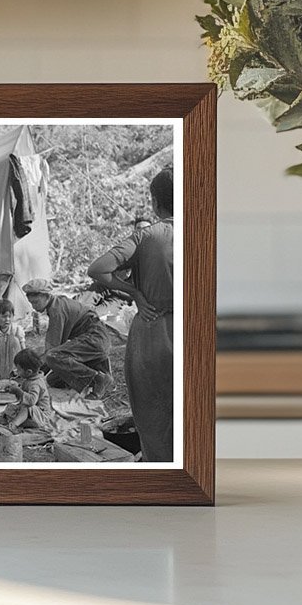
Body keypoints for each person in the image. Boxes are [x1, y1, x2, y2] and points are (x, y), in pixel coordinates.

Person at [88, 167, 174, 462]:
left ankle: (162, 473)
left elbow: (98, 269)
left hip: (154, 328)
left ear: (155, 202)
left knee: (153, 412)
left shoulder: (148, 236)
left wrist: (136, 293)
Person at [22, 278, 112, 397]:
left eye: (36, 302)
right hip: (95, 339)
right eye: (31, 303)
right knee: (53, 380)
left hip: (95, 339)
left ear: (47, 296)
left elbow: (52, 352)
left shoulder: (56, 310)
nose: (33, 307)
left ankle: (97, 379)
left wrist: (34, 373)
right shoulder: (57, 303)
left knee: (52, 357)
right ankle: (100, 377)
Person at [4, 349, 54, 431]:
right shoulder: (29, 379)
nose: (17, 371)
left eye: (19, 369)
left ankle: (13, 425)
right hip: (33, 414)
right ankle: (23, 422)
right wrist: (13, 389)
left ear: (28, 372)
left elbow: (31, 401)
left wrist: (18, 391)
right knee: (10, 408)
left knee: (26, 407)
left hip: (41, 416)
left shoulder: (36, 384)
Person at [0, 299, 27, 379]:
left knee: (15, 341)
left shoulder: (17, 329)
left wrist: (25, 364)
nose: (7, 319)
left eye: (9, 316)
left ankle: (15, 371)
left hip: (14, 362)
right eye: (4, 317)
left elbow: (23, 349)